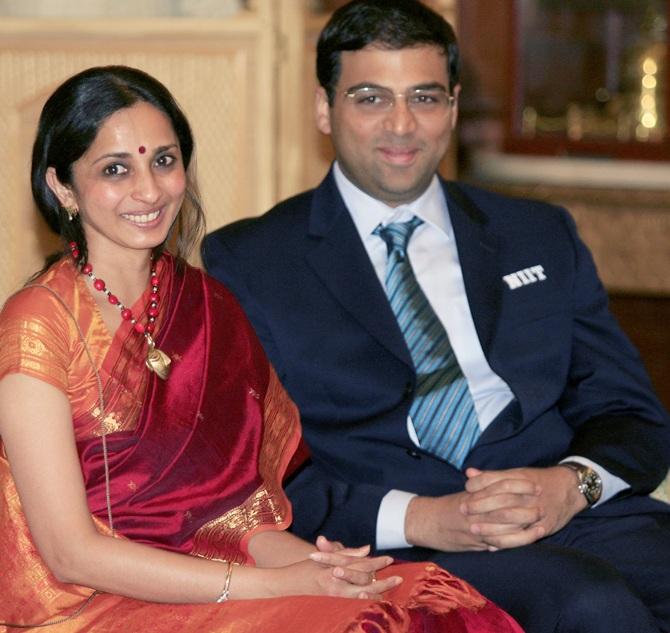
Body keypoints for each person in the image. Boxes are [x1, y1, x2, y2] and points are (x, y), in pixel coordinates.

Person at [0, 64, 525, 633]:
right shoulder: (38, 326)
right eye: (115, 169)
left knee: (429, 603)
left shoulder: (205, 305)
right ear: (61, 186)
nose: (149, 190)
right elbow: (70, 553)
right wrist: (281, 585)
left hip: (219, 583)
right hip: (92, 605)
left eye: (164, 161)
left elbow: (239, 519)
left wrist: (325, 568)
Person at [201, 1, 670, 632]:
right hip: (406, 545)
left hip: (574, 514)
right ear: (323, 108)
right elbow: (250, 473)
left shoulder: (537, 233)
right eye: (370, 99)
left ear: (451, 106)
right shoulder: (251, 262)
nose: (402, 125)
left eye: (424, 98)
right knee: (591, 606)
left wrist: (570, 487)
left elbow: (632, 416)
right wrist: (422, 517)